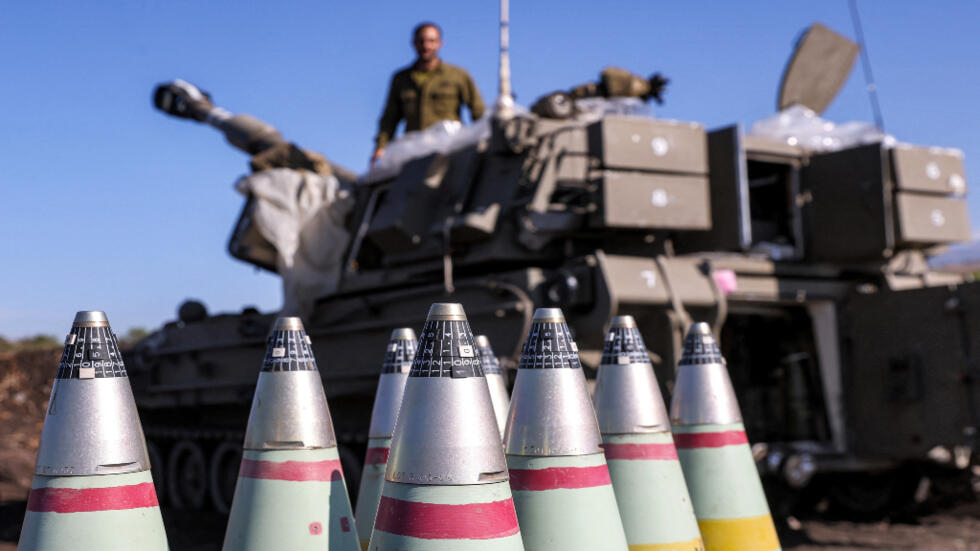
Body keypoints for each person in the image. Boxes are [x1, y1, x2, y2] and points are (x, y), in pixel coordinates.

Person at [372, 22, 486, 164]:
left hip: (450, 151)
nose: (426, 46)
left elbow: (478, 112)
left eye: (431, 41)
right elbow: (389, 118)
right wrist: (380, 147)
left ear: (439, 43)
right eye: (421, 41)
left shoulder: (458, 75)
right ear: (414, 43)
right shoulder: (401, 79)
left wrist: (486, 141)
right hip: (413, 152)